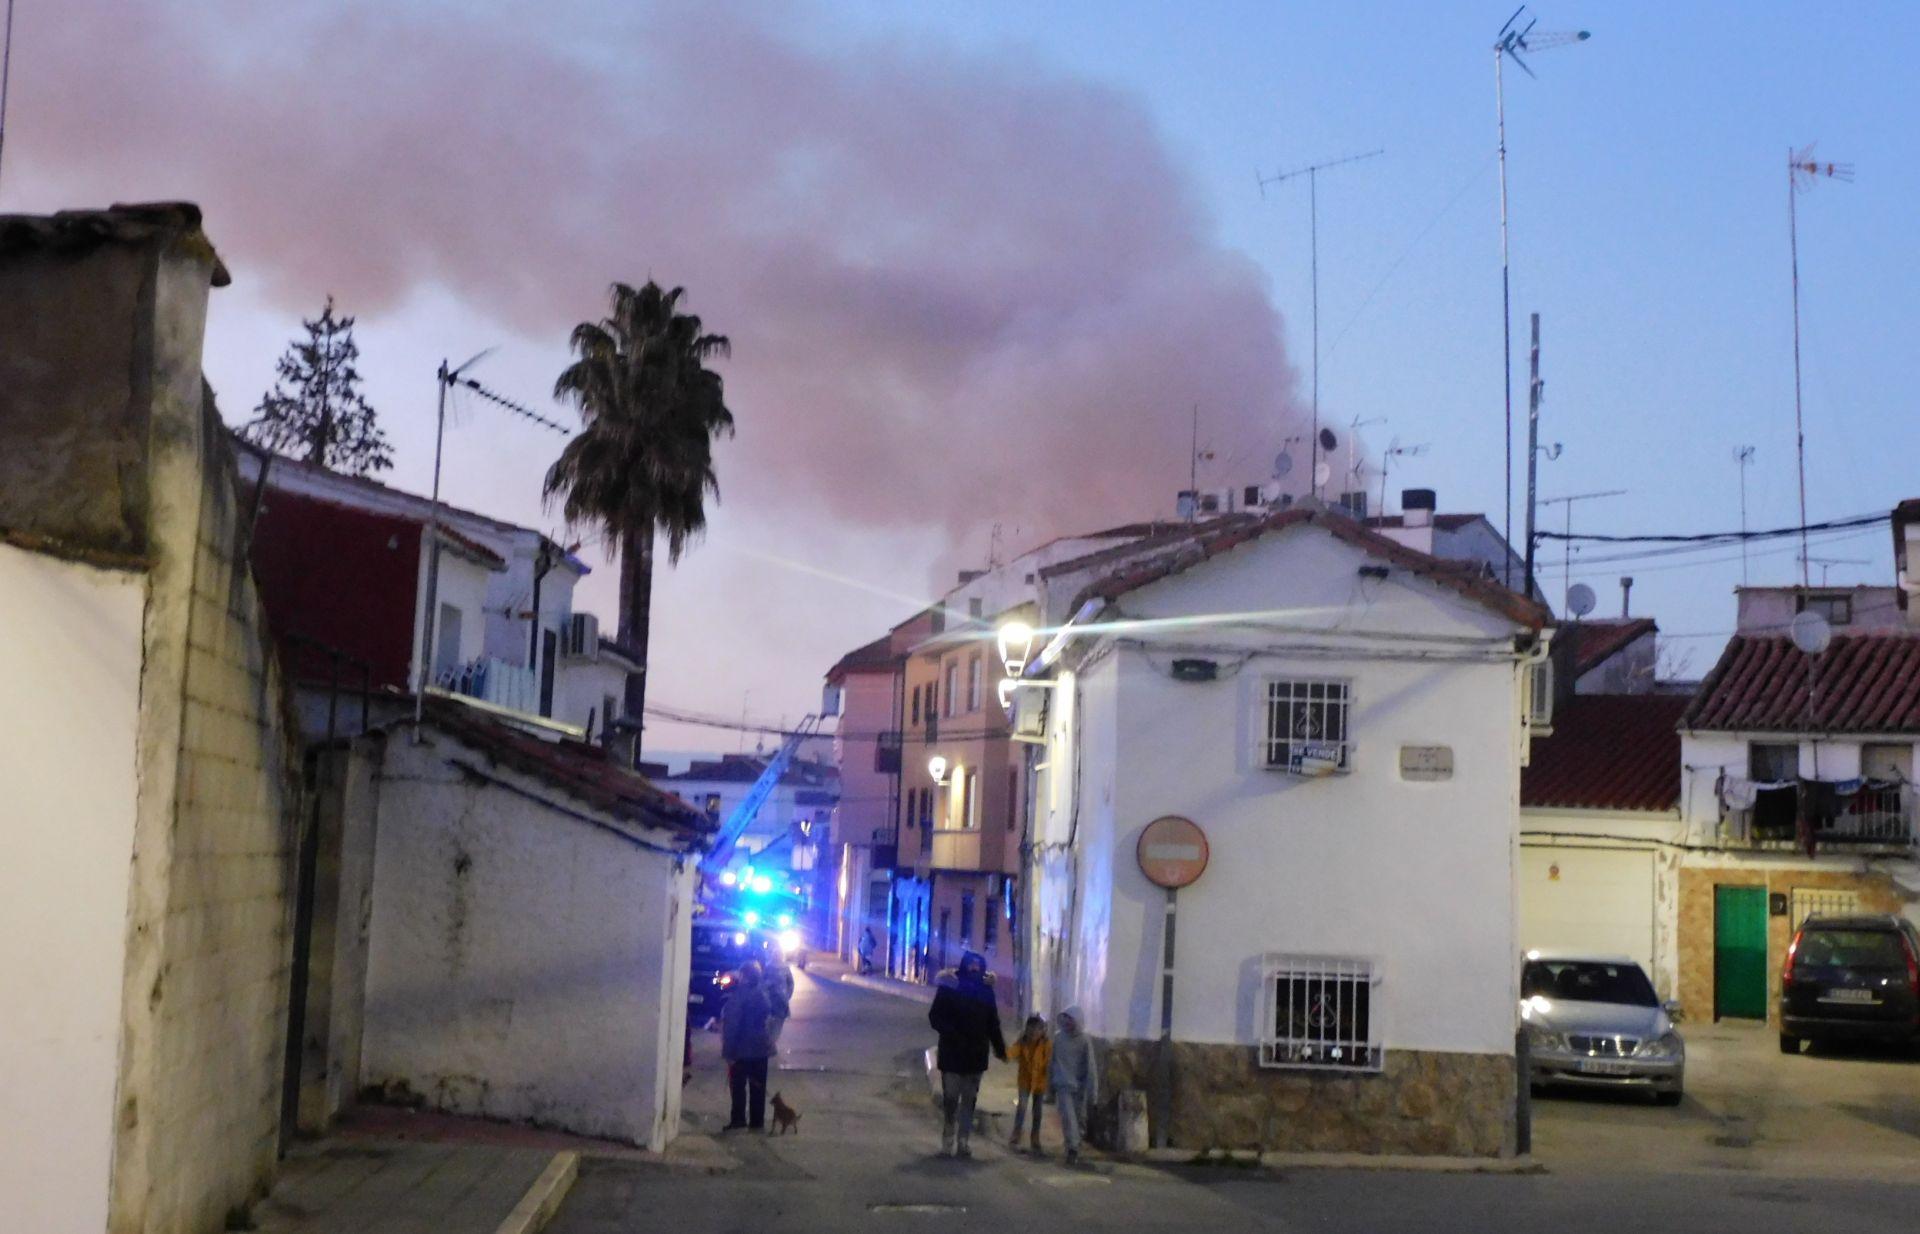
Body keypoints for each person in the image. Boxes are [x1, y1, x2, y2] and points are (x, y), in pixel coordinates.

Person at [927, 950, 1005, 1158]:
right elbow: (935, 1016)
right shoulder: (950, 986)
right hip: (952, 1053)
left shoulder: (986, 991)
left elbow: (992, 1023)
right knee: (951, 1099)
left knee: (969, 1101)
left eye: (977, 965)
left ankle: (963, 1141)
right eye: (970, 964)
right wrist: (951, 1032)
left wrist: (1000, 1048)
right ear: (963, 965)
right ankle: (948, 1139)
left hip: (976, 1055)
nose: (973, 968)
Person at [721, 961, 779, 1131]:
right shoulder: (763, 994)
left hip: (741, 1050)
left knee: (738, 1087)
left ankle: (738, 1119)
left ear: (744, 976)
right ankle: (757, 1121)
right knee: (758, 1087)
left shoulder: (739, 997)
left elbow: (732, 1026)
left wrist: (728, 1053)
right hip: (761, 1048)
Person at [1049, 1006, 1097, 1164]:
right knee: (1068, 1118)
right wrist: (1050, 1085)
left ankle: (1075, 1144)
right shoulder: (1059, 1038)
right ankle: (1072, 1148)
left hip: (1080, 1087)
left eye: (1071, 1019)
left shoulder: (1084, 1040)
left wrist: (1092, 1091)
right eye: (1066, 1019)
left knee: (1079, 1118)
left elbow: (1090, 1066)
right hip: (1063, 1085)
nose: (1068, 1022)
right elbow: (1053, 1062)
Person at [1006, 1014, 1052, 1154]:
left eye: (1037, 1030)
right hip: (1025, 1081)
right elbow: (1011, 1053)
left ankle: (1035, 1137)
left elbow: (1049, 1062)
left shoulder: (1046, 1045)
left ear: (1042, 1031)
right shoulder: (1022, 1043)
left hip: (1040, 1081)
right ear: (1026, 1030)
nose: (1033, 1033)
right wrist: (1004, 1054)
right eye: (1031, 1029)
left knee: (1037, 1111)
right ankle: (1016, 1134)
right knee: (1022, 1107)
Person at [766, 949, 796, 1047]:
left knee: (778, 1022)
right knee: (771, 1022)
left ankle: (772, 1042)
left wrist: (787, 995)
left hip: (781, 1001)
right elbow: (762, 983)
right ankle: (770, 1042)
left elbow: (790, 983)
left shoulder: (785, 968)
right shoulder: (768, 968)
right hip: (771, 1000)